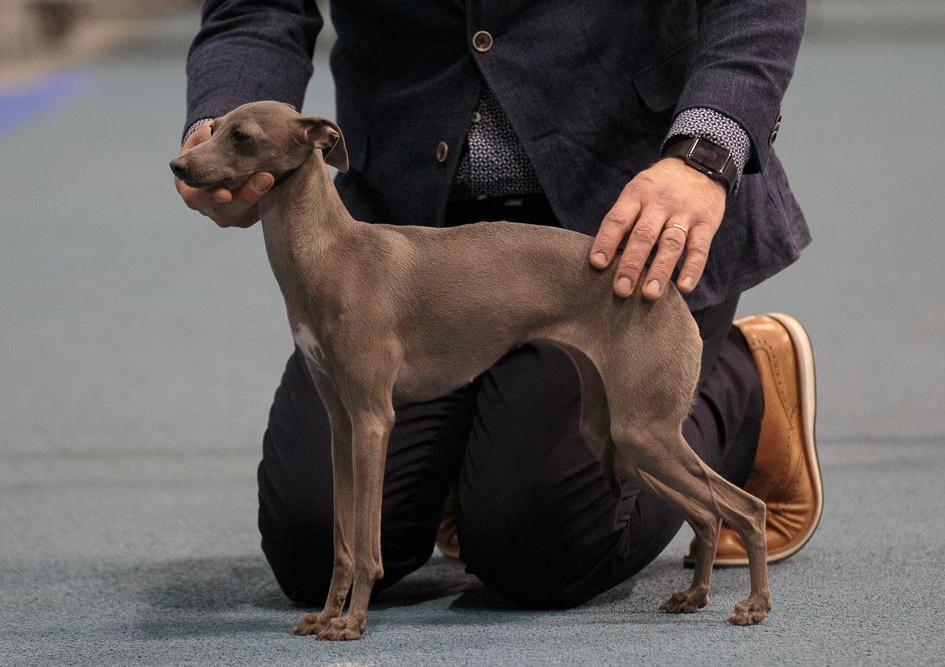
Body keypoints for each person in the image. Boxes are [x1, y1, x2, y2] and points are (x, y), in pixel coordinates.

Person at [175, 0, 823, 608]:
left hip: (620, 219)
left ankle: (741, 386)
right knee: (311, 546)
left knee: (540, 540)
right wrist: (231, 123)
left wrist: (706, 150)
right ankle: (481, 443)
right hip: (410, 226)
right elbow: (256, 6)